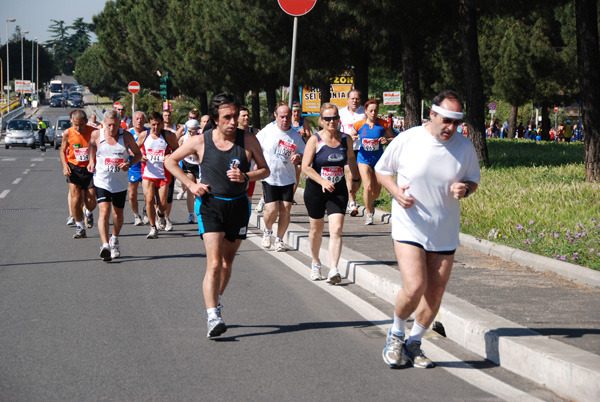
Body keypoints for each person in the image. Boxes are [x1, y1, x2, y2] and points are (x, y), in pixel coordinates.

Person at [375, 90, 480, 369]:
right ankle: (396, 335)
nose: (451, 127)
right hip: (410, 223)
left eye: (457, 122)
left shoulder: (464, 147)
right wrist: (396, 191)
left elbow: (473, 180)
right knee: (415, 286)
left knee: (435, 292)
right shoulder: (410, 139)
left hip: (443, 227)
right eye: (446, 120)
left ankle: (414, 343)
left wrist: (466, 188)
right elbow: (382, 170)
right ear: (432, 114)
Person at [164, 92, 269, 338]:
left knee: (227, 263)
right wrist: (191, 186)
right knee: (213, 263)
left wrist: (246, 176)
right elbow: (170, 161)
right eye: (227, 117)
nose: (233, 122)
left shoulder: (248, 139)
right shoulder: (201, 141)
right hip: (210, 205)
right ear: (215, 118)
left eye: (235, 116)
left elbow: (265, 170)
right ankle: (212, 315)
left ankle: (216, 299)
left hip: (239, 205)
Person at [302, 103, 359, 283]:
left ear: (338, 119)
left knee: (336, 229)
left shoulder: (346, 139)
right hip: (316, 190)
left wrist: (356, 180)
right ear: (322, 120)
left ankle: (334, 269)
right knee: (316, 229)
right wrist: (322, 181)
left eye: (334, 117)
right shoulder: (315, 140)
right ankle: (316, 262)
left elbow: (350, 159)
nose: (331, 121)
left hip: (338, 189)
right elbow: (305, 167)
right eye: (327, 118)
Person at [87, 109, 142, 261]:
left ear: (120, 123)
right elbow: (91, 145)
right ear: (104, 123)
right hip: (102, 180)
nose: (112, 129)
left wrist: (129, 163)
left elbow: (138, 155)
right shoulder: (97, 134)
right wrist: (91, 161)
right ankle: (105, 245)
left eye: (115, 125)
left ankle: (114, 239)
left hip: (120, 182)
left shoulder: (127, 136)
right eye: (109, 125)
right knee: (104, 211)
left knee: (117, 214)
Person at [256, 103, 305, 252]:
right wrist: (256, 164)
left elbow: (304, 152)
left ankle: (279, 239)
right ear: (276, 116)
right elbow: (254, 146)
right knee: (271, 210)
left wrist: (298, 156)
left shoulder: (295, 136)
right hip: (270, 177)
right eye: (282, 117)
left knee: (285, 210)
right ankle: (267, 230)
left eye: (288, 117)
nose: (285, 120)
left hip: (287, 178)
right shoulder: (267, 131)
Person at [350, 99, 395, 225]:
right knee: (368, 186)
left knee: (376, 191)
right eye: (371, 110)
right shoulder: (359, 124)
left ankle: (369, 202)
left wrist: (386, 140)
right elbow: (350, 137)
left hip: (378, 159)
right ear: (366, 111)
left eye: (376, 110)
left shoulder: (384, 124)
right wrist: (354, 138)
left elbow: (392, 138)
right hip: (363, 158)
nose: (374, 113)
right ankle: (369, 214)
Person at [138, 111, 179, 239]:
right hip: (148, 173)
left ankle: (160, 215)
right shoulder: (144, 135)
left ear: (162, 124)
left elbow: (178, 151)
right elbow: (133, 149)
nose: (156, 128)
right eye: (153, 125)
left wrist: (170, 156)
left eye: (158, 124)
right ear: (149, 124)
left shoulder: (168, 136)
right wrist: (140, 156)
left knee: (162, 202)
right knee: (149, 200)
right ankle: (152, 228)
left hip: (163, 173)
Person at [59, 110, 98, 238]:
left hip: (90, 168)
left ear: (86, 122)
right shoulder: (68, 133)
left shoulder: (94, 132)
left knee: (91, 200)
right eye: (75, 124)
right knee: (76, 199)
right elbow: (62, 151)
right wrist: (65, 166)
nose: (78, 128)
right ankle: (80, 227)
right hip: (74, 168)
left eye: (80, 125)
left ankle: (88, 211)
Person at [339, 89, 366, 216]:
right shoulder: (341, 113)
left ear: (360, 100)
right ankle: (352, 201)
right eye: (352, 98)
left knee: (358, 175)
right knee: (349, 172)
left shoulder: (364, 112)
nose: (354, 101)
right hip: (347, 147)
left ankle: (352, 195)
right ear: (348, 99)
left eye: (357, 99)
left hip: (361, 147)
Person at [128, 111, 149, 226]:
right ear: (133, 120)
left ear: (145, 121)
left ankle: (146, 210)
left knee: (147, 193)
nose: (139, 121)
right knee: (132, 194)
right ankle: (136, 216)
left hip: (147, 166)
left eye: (141, 119)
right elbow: (126, 149)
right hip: (134, 166)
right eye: (137, 119)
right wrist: (138, 156)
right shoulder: (128, 133)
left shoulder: (149, 132)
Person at [179, 119, 202, 224]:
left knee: (200, 189)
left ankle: (200, 212)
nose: (192, 133)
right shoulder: (184, 138)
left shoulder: (201, 138)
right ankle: (191, 214)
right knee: (190, 189)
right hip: (188, 163)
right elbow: (178, 150)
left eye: (194, 131)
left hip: (198, 165)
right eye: (190, 131)